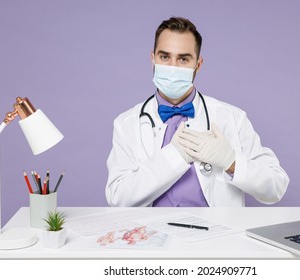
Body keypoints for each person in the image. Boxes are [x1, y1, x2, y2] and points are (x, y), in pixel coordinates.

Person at [105, 17, 289, 207]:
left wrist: (231, 161)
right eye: (164, 57)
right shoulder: (126, 123)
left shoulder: (232, 117)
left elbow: (276, 187)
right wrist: (175, 155)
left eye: (183, 59)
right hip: (152, 233)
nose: (173, 67)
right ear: (153, 59)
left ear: (198, 65)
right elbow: (118, 198)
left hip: (215, 233)